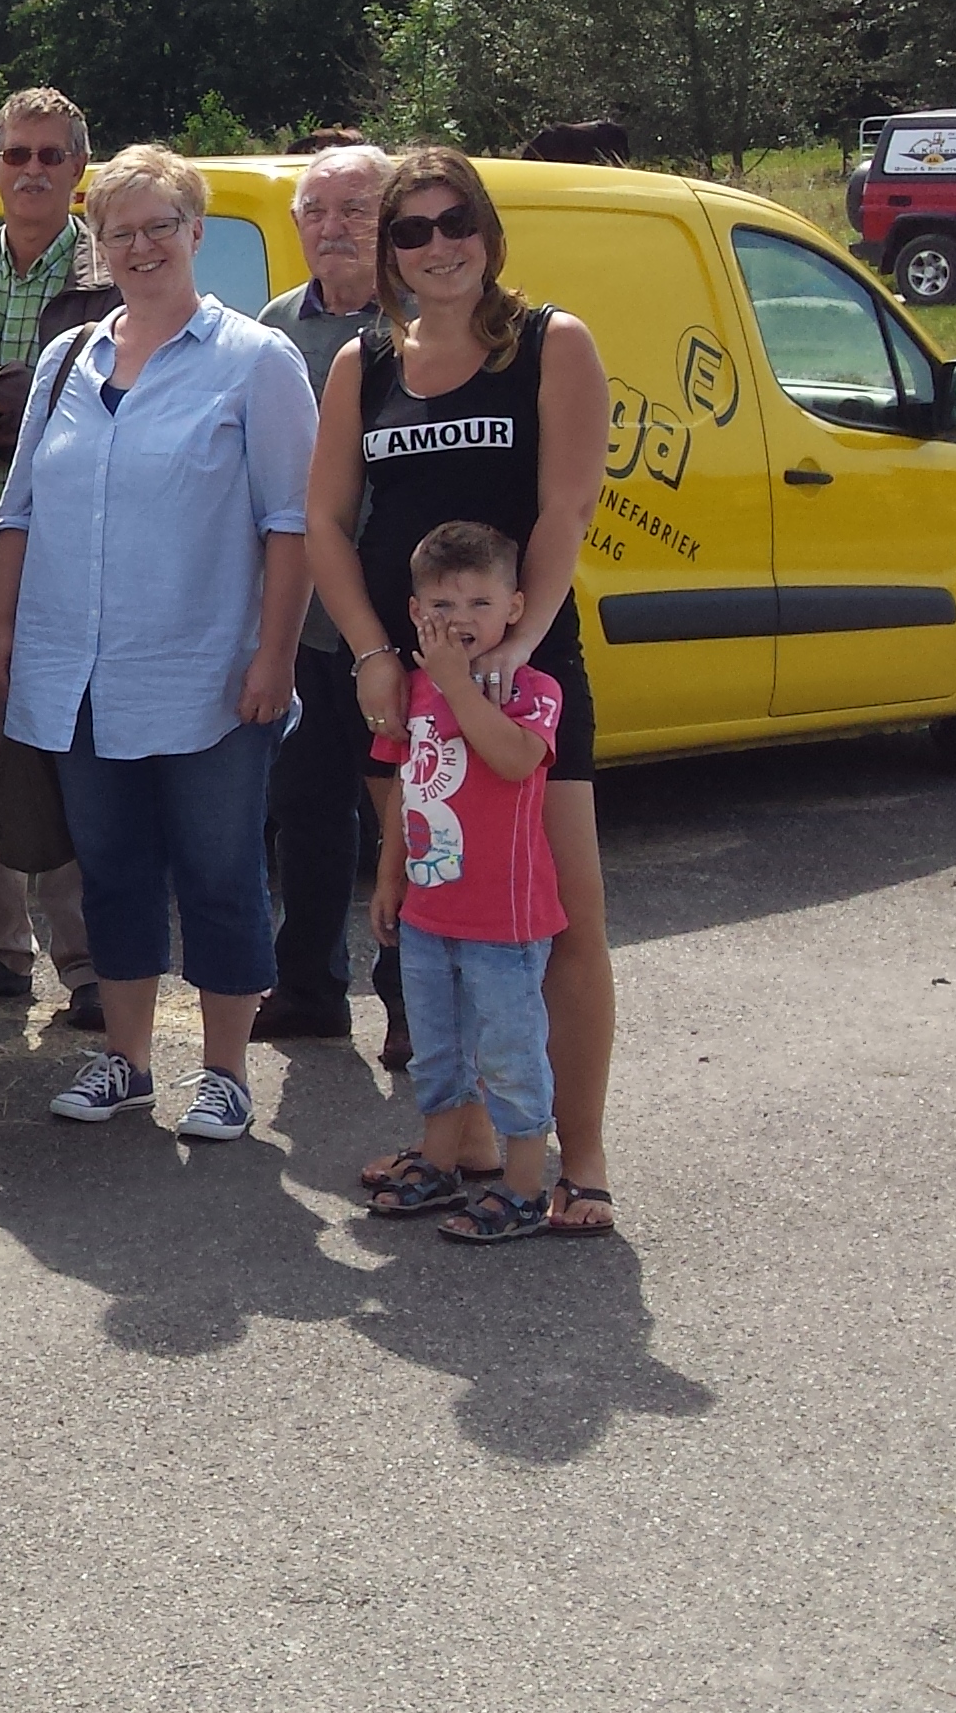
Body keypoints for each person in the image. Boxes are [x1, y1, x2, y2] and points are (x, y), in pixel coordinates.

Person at [307, 147, 621, 1236]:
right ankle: (465, 1138)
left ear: (487, 230)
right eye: (412, 230)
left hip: (523, 688)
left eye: (456, 224)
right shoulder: (363, 362)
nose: (438, 246)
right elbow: (324, 526)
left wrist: (516, 650)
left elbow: (564, 515)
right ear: (388, 248)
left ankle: (578, 1162)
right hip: (413, 701)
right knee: (435, 923)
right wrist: (370, 654)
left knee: (560, 920)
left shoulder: (550, 344)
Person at [0, 147, 316, 1143]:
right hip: (75, 676)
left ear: (195, 231)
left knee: (218, 869)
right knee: (113, 868)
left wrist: (275, 657)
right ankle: (127, 1061)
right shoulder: (67, 360)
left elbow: (291, 525)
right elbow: (20, 512)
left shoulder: (256, 360)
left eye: (157, 225)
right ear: (99, 244)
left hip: (210, 672)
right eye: (118, 230)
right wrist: (5, 634)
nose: (138, 246)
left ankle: (222, 1073)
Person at [0, 89, 115, 1031]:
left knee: (70, 762)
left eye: (52, 155)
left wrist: (1, 416)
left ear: (77, 170)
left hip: (72, 567)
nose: (34, 170)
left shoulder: (112, 279)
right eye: (17, 155)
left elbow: (85, 427)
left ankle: (89, 961)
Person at [360, 521, 569, 1244]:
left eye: (480, 605)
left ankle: (523, 1184)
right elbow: (404, 791)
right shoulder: (414, 692)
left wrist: (457, 686)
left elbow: (515, 761)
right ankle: (441, 1158)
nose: (461, 622)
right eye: (443, 608)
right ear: (418, 614)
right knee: (437, 1047)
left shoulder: (532, 688)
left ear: (514, 607)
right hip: (428, 908)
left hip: (504, 918)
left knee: (509, 1051)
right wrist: (390, 880)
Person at [258, 143, 393, 1047]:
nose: (334, 228)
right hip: (307, 620)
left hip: (401, 616)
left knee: (411, 817)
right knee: (307, 818)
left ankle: (415, 1003)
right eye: (318, 211)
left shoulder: (432, 317)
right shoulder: (277, 327)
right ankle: (309, 989)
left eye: (356, 210)